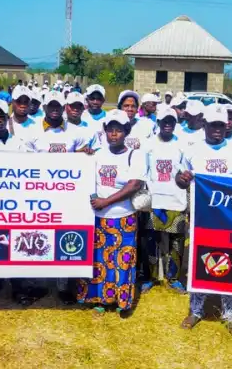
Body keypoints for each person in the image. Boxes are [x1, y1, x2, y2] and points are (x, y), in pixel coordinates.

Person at [176, 104, 232, 337]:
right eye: (212, 125)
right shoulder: (192, 150)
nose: (217, 129)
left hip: (230, 218)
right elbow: (179, 179)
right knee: (200, 262)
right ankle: (196, 310)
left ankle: (230, 314)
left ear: (226, 126)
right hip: (202, 218)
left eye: (221, 125)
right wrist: (183, 178)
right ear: (204, 125)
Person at [76, 109, 147, 317]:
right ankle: (100, 299)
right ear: (105, 131)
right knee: (98, 260)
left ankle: (121, 301)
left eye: (119, 130)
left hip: (123, 217)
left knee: (122, 260)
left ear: (126, 131)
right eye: (110, 130)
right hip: (97, 218)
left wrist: (105, 201)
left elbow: (134, 184)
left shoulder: (135, 155)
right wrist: (82, 155)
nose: (114, 134)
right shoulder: (97, 155)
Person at [140, 108, 188, 294]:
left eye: (171, 121)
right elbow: (143, 171)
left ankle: (173, 278)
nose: (167, 124)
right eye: (164, 121)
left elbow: (187, 173)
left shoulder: (182, 144)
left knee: (177, 241)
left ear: (176, 123)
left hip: (177, 200)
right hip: (155, 200)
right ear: (158, 122)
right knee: (151, 240)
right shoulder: (148, 144)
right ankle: (151, 277)